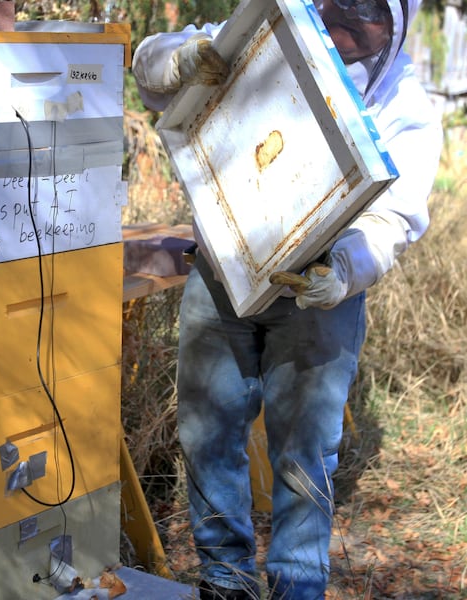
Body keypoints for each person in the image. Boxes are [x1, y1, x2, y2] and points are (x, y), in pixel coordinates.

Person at [132, 1, 442, 598]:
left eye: (368, 15)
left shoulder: (407, 104)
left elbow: (394, 217)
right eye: (339, 6)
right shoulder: (268, 38)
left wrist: (344, 270)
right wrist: (184, 62)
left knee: (303, 451)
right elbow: (149, 67)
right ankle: (225, 581)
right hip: (223, 268)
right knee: (207, 431)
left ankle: (297, 585)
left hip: (317, 294)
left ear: (396, 24)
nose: (347, 24)